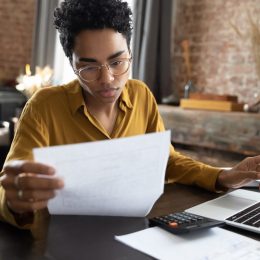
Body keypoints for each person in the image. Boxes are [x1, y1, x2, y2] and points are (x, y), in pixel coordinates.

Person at [0, 0, 260, 229]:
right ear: (71, 64)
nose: (107, 79)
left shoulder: (141, 96)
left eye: (117, 62)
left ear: (130, 54)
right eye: (89, 67)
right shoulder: (44, 106)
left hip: (135, 230)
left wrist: (223, 176)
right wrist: (16, 201)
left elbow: (167, 161)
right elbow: (11, 184)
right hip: (62, 237)